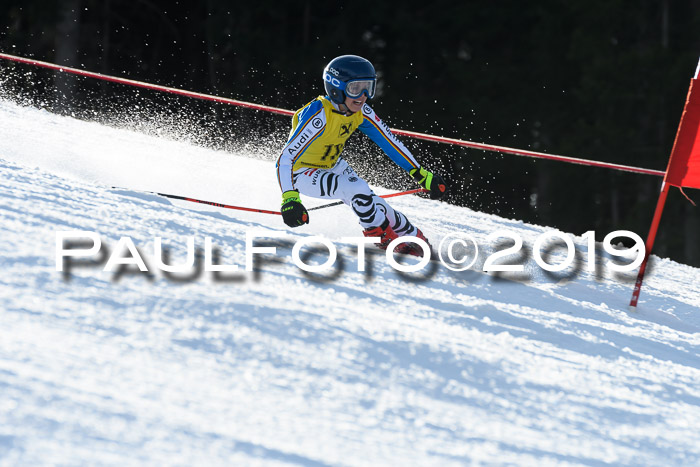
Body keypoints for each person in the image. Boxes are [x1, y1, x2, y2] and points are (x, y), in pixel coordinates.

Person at [275, 55, 447, 256]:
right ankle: (381, 236)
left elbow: (390, 142)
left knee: (377, 205)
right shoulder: (318, 114)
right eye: (355, 89)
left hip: (333, 165)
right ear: (336, 89)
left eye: (369, 87)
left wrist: (420, 174)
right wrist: (290, 198)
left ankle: (415, 239)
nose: (363, 95)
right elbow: (285, 159)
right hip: (301, 172)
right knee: (356, 188)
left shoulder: (361, 111)